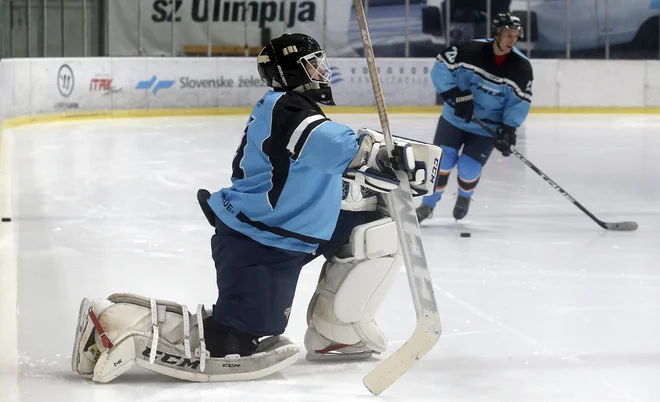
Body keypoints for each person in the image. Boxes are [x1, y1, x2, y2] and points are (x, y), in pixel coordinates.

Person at [71, 33, 443, 383]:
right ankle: (117, 323)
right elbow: (334, 145)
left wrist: (375, 171)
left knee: (373, 231)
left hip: (290, 226)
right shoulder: (289, 109)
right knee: (233, 340)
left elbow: (309, 167)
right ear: (292, 71)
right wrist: (376, 154)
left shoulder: (292, 108)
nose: (323, 72)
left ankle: (338, 332)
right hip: (262, 238)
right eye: (314, 64)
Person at [416, 12, 533, 223]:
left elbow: (519, 102)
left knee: (469, 169)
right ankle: (427, 205)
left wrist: (508, 128)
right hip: (454, 119)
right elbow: (441, 67)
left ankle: (464, 197)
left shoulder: (521, 67)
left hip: (485, 127)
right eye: (508, 34)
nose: (512, 40)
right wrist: (454, 95)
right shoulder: (470, 50)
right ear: (497, 33)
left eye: (515, 36)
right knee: (442, 161)